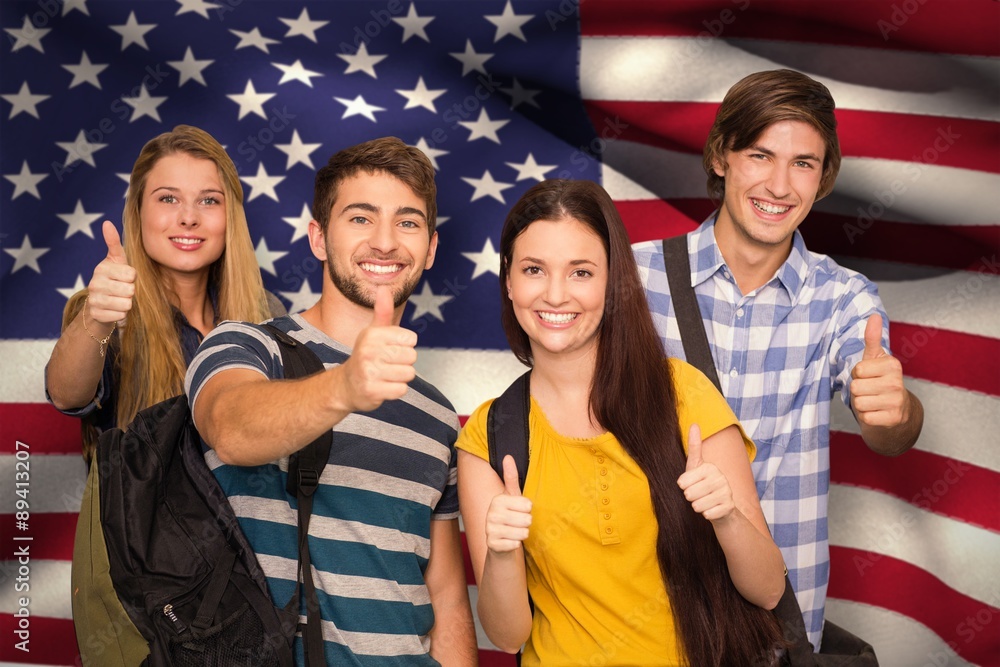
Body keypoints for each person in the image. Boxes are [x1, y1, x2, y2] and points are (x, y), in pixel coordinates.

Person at [632, 69, 925, 650]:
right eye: (761, 155)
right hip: (643, 609)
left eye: (804, 163)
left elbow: (891, 432)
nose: (780, 185)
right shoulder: (633, 280)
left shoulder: (844, 298)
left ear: (823, 178)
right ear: (722, 156)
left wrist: (894, 412)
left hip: (778, 627)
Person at [457, 179, 786, 666]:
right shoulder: (488, 437)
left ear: (613, 281)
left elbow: (769, 590)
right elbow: (507, 636)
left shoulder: (684, 393)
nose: (554, 294)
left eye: (581, 272)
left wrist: (726, 517)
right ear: (508, 281)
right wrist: (503, 555)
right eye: (533, 269)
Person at [183, 137, 477, 665]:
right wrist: (345, 386)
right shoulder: (246, 345)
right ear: (319, 238)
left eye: (407, 222)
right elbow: (230, 426)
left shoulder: (438, 417)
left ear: (431, 248)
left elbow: (448, 597)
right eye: (361, 218)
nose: (385, 242)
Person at [45, 124, 282, 460]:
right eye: (168, 198)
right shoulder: (105, 308)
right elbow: (66, 396)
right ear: (139, 211)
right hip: (142, 513)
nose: (188, 217)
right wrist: (97, 320)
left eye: (209, 200)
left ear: (231, 217)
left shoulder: (266, 310)